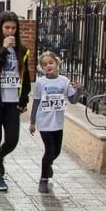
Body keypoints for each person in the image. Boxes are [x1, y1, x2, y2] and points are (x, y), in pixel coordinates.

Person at [0, 11, 31, 192]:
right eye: (6, 28)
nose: (10, 31)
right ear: (0, 28)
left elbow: (25, 76)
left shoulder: (22, 50)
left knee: (12, 140)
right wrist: (3, 48)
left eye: (13, 28)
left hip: (12, 101)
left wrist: (24, 98)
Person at [28, 52, 81, 193]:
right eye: (45, 64)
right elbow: (36, 102)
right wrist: (32, 122)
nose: (48, 66)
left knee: (56, 151)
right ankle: (43, 179)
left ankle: (48, 165)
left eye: (50, 63)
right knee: (49, 150)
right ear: (42, 68)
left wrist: (79, 89)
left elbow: (73, 100)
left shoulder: (64, 81)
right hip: (44, 122)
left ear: (57, 63)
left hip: (58, 123)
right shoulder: (41, 83)